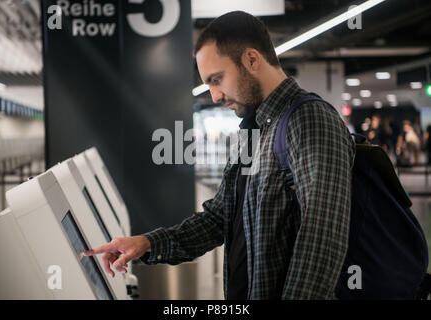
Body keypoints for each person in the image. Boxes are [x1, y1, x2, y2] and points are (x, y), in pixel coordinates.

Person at [83, 11, 355, 300]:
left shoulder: (310, 120)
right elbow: (219, 219)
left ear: (252, 59)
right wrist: (148, 243)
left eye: (217, 79)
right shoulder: (254, 131)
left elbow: (322, 241)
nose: (214, 95)